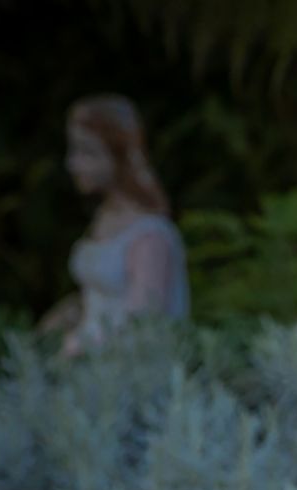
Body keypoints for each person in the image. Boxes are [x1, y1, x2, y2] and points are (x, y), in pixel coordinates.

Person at [41, 94, 191, 357]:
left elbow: (141, 327)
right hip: (87, 364)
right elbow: (97, 298)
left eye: (87, 151)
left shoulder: (150, 234)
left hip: (123, 374)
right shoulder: (105, 215)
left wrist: (70, 348)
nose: (72, 163)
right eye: (74, 149)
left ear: (118, 154)